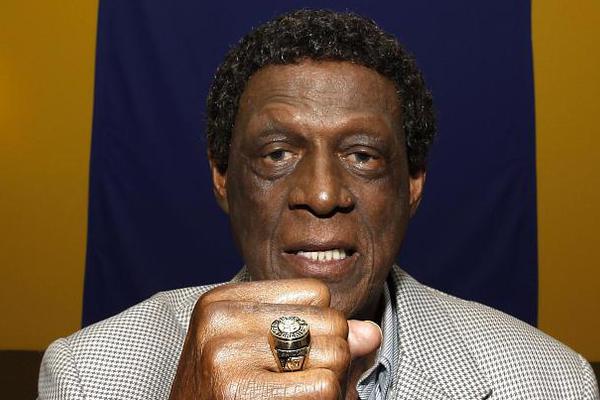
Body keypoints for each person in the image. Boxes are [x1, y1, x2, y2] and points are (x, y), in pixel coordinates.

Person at [38, 9, 598, 400]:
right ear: (222, 178)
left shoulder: (549, 381)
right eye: (277, 153)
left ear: (413, 184)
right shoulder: (89, 375)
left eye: (363, 155)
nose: (323, 195)